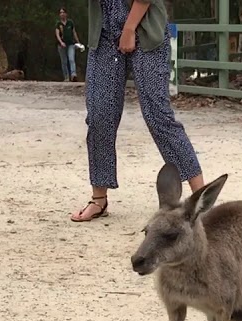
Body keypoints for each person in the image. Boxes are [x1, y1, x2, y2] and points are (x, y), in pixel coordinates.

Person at [70, 0, 205, 222]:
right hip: (104, 34)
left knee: (157, 115)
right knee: (99, 115)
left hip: (144, 30)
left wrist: (129, 28)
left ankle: (201, 199)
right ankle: (99, 199)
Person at [56, 8, 79, 82]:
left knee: (71, 59)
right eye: (60, 13)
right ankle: (66, 77)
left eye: (63, 12)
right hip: (62, 45)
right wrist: (61, 42)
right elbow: (57, 34)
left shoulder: (70, 23)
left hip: (70, 44)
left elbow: (74, 32)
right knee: (64, 61)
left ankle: (73, 75)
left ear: (66, 14)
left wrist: (78, 42)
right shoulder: (58, 24)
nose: (62, 14)